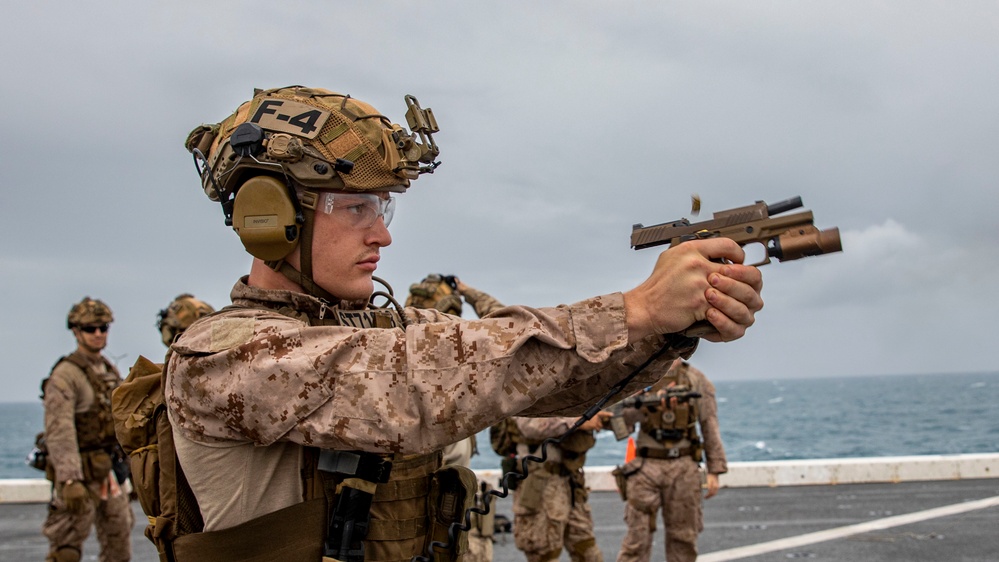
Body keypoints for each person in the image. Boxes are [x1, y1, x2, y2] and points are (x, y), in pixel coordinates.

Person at [168, 85, 763, 562]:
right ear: (270, 217)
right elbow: (412, 387)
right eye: (355, 208)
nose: (382, 234)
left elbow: (541, 381)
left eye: (382, 207)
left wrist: (669, 327)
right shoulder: (221, 356)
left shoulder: (379, 329)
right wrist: (637, 308)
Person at [41, 297, 133, 562]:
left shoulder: (107, 369)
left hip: (108, 470)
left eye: (103, 327)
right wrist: (70, 479)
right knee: (66, 546)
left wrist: (132, 468)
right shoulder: (66, 375)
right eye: (90, 328)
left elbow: (120, 421)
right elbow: (59, 429)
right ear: (76, 331)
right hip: (81, 472)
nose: (98, 333)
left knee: (119, 541)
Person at [615, 360, 726, 562]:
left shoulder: (697, 380)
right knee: (636, 541)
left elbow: (709, 424)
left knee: (683, 540)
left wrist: (714, 471)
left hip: (683, 467)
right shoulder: (640, 378)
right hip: (645, 466)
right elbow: (622, 421)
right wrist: (650, 404)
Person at [510, 413, 612, 562]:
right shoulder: (528, 392)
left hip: (570, 481)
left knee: (587, 551)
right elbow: (529, 426)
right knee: (544, 554)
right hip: (541, 483)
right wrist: (577, 421)